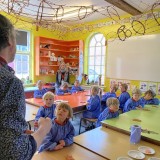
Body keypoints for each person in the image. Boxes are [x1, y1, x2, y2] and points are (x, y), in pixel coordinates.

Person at [0, 14, 52, 159]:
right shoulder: (9, 82)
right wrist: (43, 129)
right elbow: (15, 154)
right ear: (10, 40)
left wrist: (16, 134)